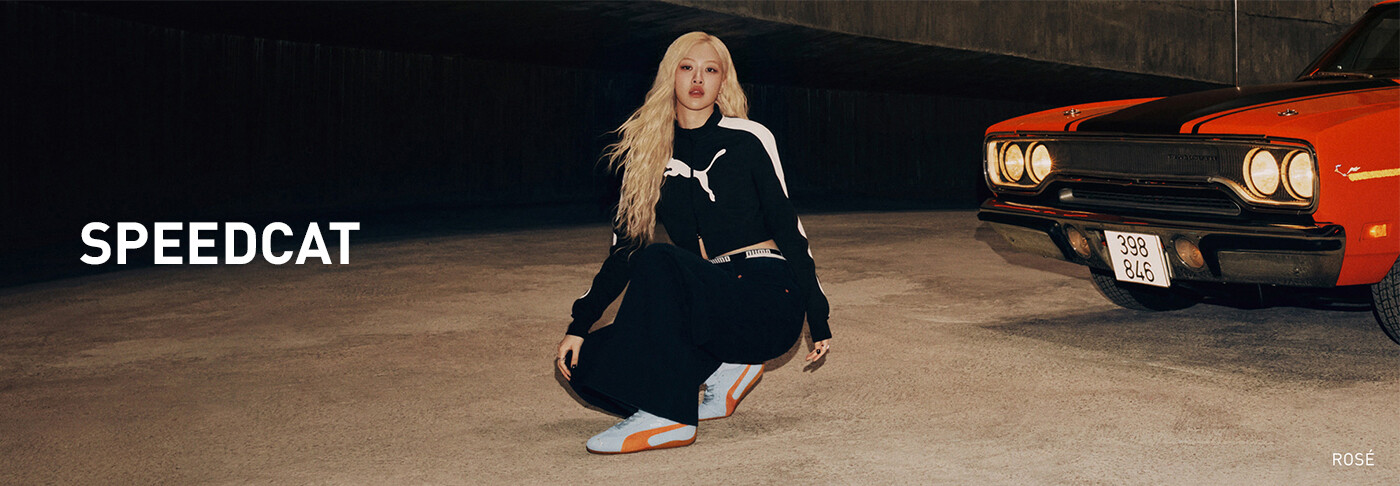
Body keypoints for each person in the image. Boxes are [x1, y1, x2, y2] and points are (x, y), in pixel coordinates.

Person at [555, 31, 832, 454]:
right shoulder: (648, 152)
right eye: (687, 67)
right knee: (586, 363)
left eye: (710, 70)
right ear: (671, 75)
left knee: (659, 260)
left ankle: (671, 419)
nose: (697, 79)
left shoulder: (749, 138)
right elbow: (623, 251)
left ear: (723, 81)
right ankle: (722, 370)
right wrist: (579, 325)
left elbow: (789, 229)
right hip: (707, 304)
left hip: (764, 297)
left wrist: (817, 315)